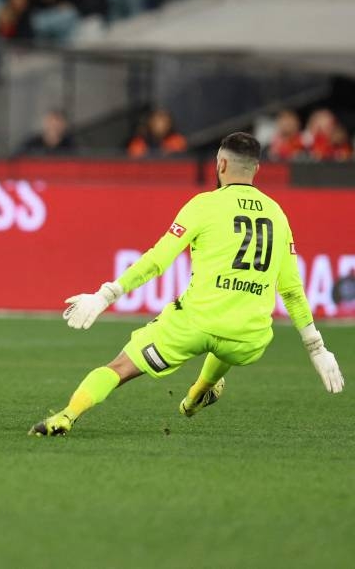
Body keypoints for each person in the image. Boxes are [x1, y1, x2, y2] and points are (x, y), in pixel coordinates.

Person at [30, 132, 344, 436]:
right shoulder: (278, 215)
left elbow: (157, 261)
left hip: (193, 325)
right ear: (257, 169)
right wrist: (317, 349)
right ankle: (198, 394)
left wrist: (106, 294)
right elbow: (290, 289)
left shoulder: (204, 205)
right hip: (249, 339)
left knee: (120, 367)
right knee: (230, 332)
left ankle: (66, 416)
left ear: (220, 165)